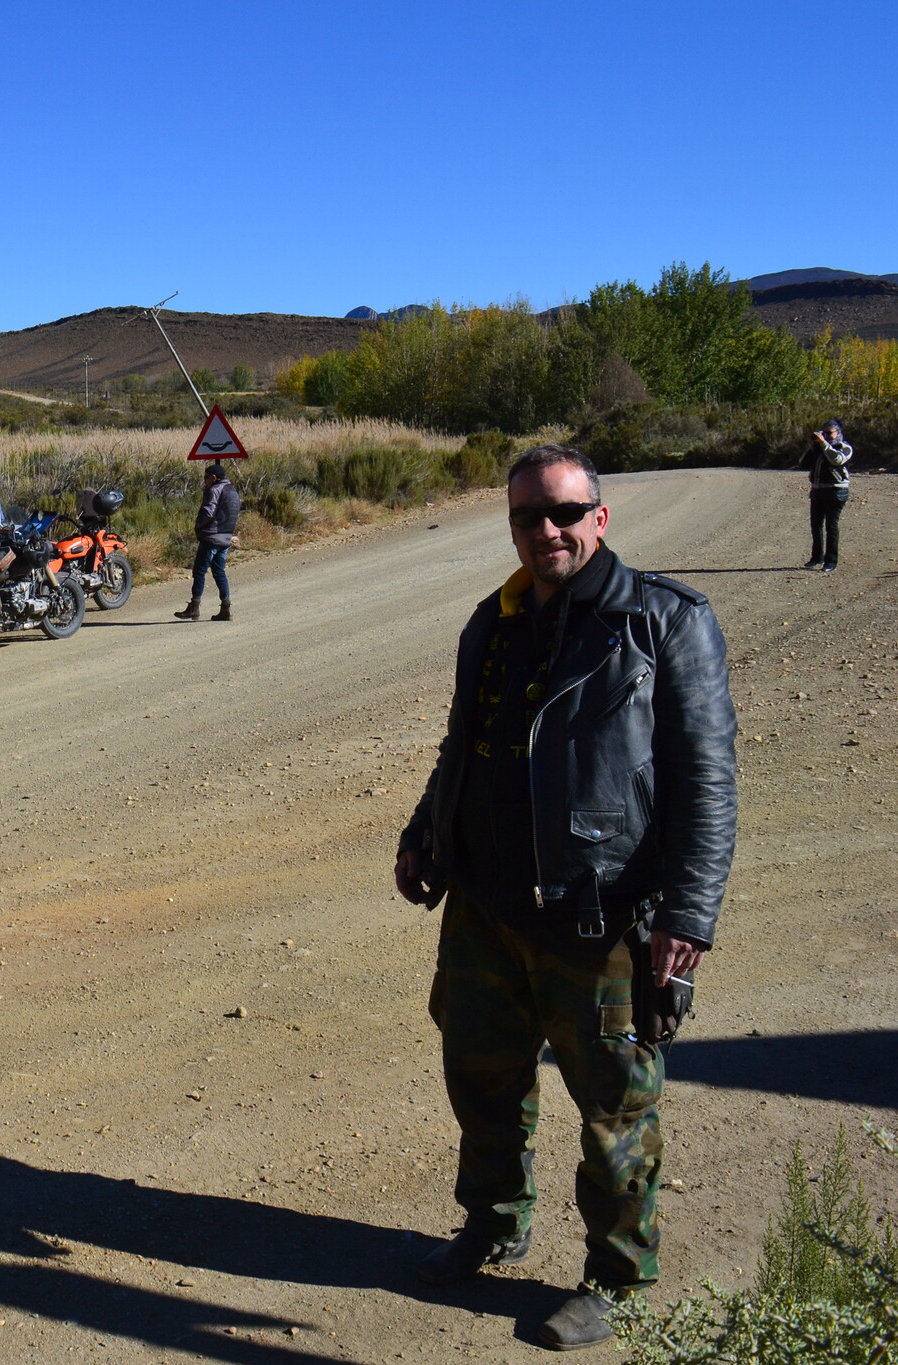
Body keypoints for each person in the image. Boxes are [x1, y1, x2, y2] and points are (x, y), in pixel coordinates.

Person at [393, 445, 737, 1350]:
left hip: (602, 915)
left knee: (615, 1107)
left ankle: (618, 1276)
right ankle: (495, 1220)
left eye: (563, 512)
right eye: (526, 517)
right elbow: (462, 741)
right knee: (481, 1074)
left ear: (600, 516)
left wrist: (687, 915)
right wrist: (426, 831)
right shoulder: (492, 621)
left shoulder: (665, 621)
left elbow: (707, 781)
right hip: (485, 907)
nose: (545, 530)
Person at [176, 462, 240, 621]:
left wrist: (198, 526)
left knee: (199, 571)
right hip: (225, 537)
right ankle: (226, 609)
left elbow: (208, 512)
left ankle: (194, 607)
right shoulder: (232, 491)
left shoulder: (214, 490)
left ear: (213, 477)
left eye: (206, 478)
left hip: (211, 537)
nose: (204, 481)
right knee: (219, 572)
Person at [801, 419, 852, 572]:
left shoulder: (844, 447)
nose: (827, 436)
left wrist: (824, 444)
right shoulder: (818, 448)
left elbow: (836, 460)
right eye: (824, 433)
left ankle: (831, 561)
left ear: (839, 433)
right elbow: (803, 464)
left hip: (836, 491)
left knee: (831, 526)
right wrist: (812, 447)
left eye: (830, 433)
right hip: (817, 490)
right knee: (815, 526)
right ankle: (816, 557)